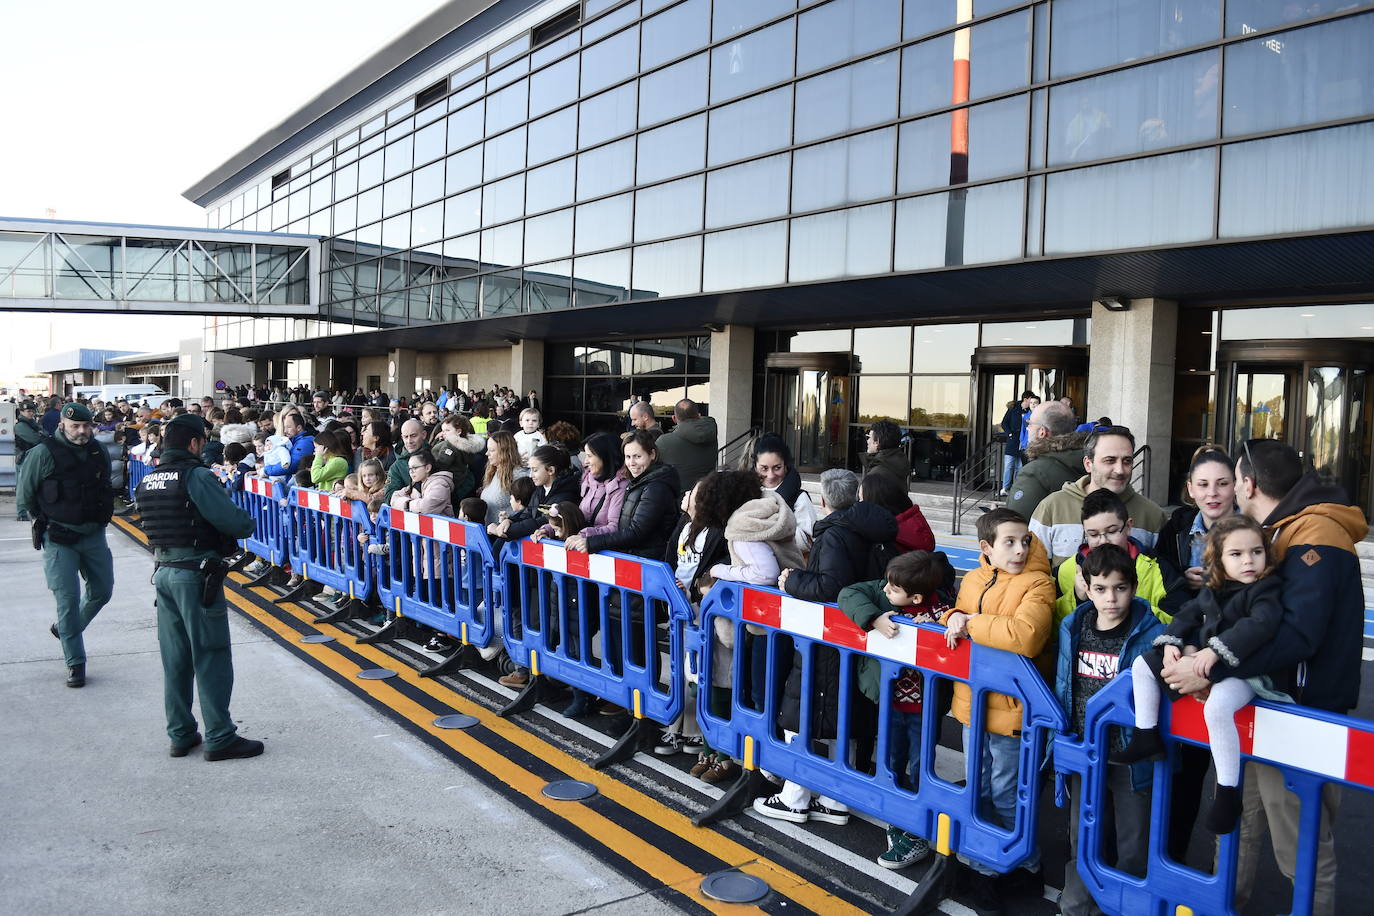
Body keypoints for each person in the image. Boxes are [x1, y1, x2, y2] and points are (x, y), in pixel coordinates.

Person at [1163, 441, 1366, 915]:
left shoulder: (1314, 533)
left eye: (1233, 479)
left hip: (1301, 710)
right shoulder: (1280, 530)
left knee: (1301, 846)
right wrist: (1196, 647)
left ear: (1248, 484)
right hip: (1265, 701)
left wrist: (1210, 666)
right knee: (1241, 824)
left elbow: (1298, 634)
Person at [1114, 515, 1286, 834]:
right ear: (1218, 559)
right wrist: (1172, 642)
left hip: (1247, 672)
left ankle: (1227, 792)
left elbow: (1259, 625)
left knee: (1217, 708)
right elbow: (1189, 613)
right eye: (1236, 554)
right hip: (1207, 662)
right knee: (1142, 665)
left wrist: (1214, 650)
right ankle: (1146, 734)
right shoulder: (1215, 586)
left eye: (1256, 552)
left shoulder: (1266, 589)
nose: (1248, 560)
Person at [939, 507, 1054, 911]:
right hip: (973, 702)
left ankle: (1023, 866)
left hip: (1013, 709)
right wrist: (956, 616)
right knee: (979, 790)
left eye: (1025, 540)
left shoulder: (1039, 582)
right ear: (986, 547)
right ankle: (984, 866)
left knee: (1007, 794)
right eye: (1010, 542)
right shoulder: (974, 577)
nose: (1020, 549)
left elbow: (1025, 637)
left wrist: (968, 622)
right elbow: (958, 612)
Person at [136, 414, 261, 759]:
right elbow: (234, 522)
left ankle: (180, 733)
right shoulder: (197, 476)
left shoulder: (149, 479)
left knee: (175, 659)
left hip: (163, 572)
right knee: (211, 654)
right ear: (194, 443)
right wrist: (246, 521)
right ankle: (220, 736)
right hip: (196, 576)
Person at [1055, 544, 1164, 916]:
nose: (1111, 598)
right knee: (1082, 836)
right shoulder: (1073, 626)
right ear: (1085, 586)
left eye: (1120, 588)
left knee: (1134, 841)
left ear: (1134, 587)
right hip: (1086, 751)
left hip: (1132, 757)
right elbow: (1063, 682)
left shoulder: (1152, 634)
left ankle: (1124, 907)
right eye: (1100, 589)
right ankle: (1075, 907)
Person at [838, 550, 954, 870]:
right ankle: (897, 817)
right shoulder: (888, 591)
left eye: (893, 590)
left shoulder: (941, 611)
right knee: (892, 760)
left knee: (919, 765)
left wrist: (938, 623)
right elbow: (849, 593)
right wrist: (874, 617)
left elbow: (954, 630)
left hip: (923, 709)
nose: (885, 591)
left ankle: (916, 832)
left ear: (915, 596)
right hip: (891, 703)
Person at [17, 403, 115, 688]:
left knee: (102, 591)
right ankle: (75, 662)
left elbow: (105, 485)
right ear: (62, 425)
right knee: (68, 601)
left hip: (93, 534)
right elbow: (25, 498)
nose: (82, 431)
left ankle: (65, 630)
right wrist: (47, 522)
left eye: (86, 426)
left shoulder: (99, 452)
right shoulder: (42, 453)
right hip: (59, 538)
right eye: (76, 426)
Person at [1029, 425, 1167, 569]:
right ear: (1088, 464)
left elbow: (1165, 577)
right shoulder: (1051, 507)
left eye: (1127, 461)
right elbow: (1032, 572)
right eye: (1110, 460)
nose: (1120, 470)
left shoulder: (1154, 516)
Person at [777, 468, 896, 604]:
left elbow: (830, 587)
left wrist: (792, 581)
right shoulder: (870, 523)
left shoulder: (833, 535)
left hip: (846, 614)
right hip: (866, 605)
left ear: (822, 501)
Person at [1053, 488, 1167, 627]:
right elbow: (1051, 629)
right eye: (1093, 534)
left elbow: (1177, 622)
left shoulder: (1157, 568)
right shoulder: (1066, 571)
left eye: (1112, 531)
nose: (1103, 541)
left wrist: (1126, 608)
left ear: (1128, 526)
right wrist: (1077, 597)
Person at [1155, 446, 1237, 620]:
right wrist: (1181, 578)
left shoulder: (1257, 529)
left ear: (1235, 485)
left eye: (1222, 484)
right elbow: (1161, 570)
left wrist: (1219, 579)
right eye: (1203, 484)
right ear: (1191, 489)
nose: (1212, 493)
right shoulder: (1176, 528)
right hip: (1186, 625)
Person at [1004, 400, 1086, 519]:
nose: (1027, 429)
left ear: (1042, 432)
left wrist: (995, 519)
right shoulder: (1089, 462)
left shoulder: (1034, 472)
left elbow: (1015, 521)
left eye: (1030, 424)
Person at [753, 435, 817, 555]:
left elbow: (810, 540)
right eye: (764, 468)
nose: (770, 475)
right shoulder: (745, 493)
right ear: (755, 466)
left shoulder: (800, 498)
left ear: (786, 465)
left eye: (777, 468)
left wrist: (771, 532)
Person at [859, 470, 934, 554]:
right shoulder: (912, 522)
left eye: (861, 499)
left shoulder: (887, 535)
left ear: (876, 501)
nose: (859, 504)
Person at [654, 399, 718, 491]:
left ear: (674, 419)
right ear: (699, 415)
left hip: (678, 499)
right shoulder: (711, 432)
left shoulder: (663, 442)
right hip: (707, 494)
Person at [477, 430, 528, 525]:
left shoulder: (519, 475)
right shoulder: (493, 470)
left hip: (505, 535)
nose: (487, 453)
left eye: (492, 450)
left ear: (505, 452)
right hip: (489, 531)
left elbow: (525, 512)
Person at [997, 391, 1037, 499]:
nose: (1032, 403)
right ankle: (1005, 488)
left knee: (1020, 467)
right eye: (1030, 400)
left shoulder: (1031, 411)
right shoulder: (1013, 409)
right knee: (1009, 465)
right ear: (1025, 399)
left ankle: (1016, 488)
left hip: (1023, 442)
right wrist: (1009, 433)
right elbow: (1004, 423)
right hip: (1012, 440)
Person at [262, 410, 315, 479]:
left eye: (288, 427)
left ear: (299, 428)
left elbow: (292, 465)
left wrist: (266, 470)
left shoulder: (305, 442)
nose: (285, 431)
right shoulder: (291, 440)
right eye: (284, 427)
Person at [384, 419, 427, 502]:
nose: (409, 441)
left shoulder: (436, 455)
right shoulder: (396, 467)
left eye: (414, 436)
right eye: (406, 437)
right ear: (402, 437)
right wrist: (410, 493)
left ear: (423, 435)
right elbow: (389, 496)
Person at [861, 419, 910, 484]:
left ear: (877, 442)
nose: (867, 441)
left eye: (869, 437)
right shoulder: (898, 463)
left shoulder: (876, 474)